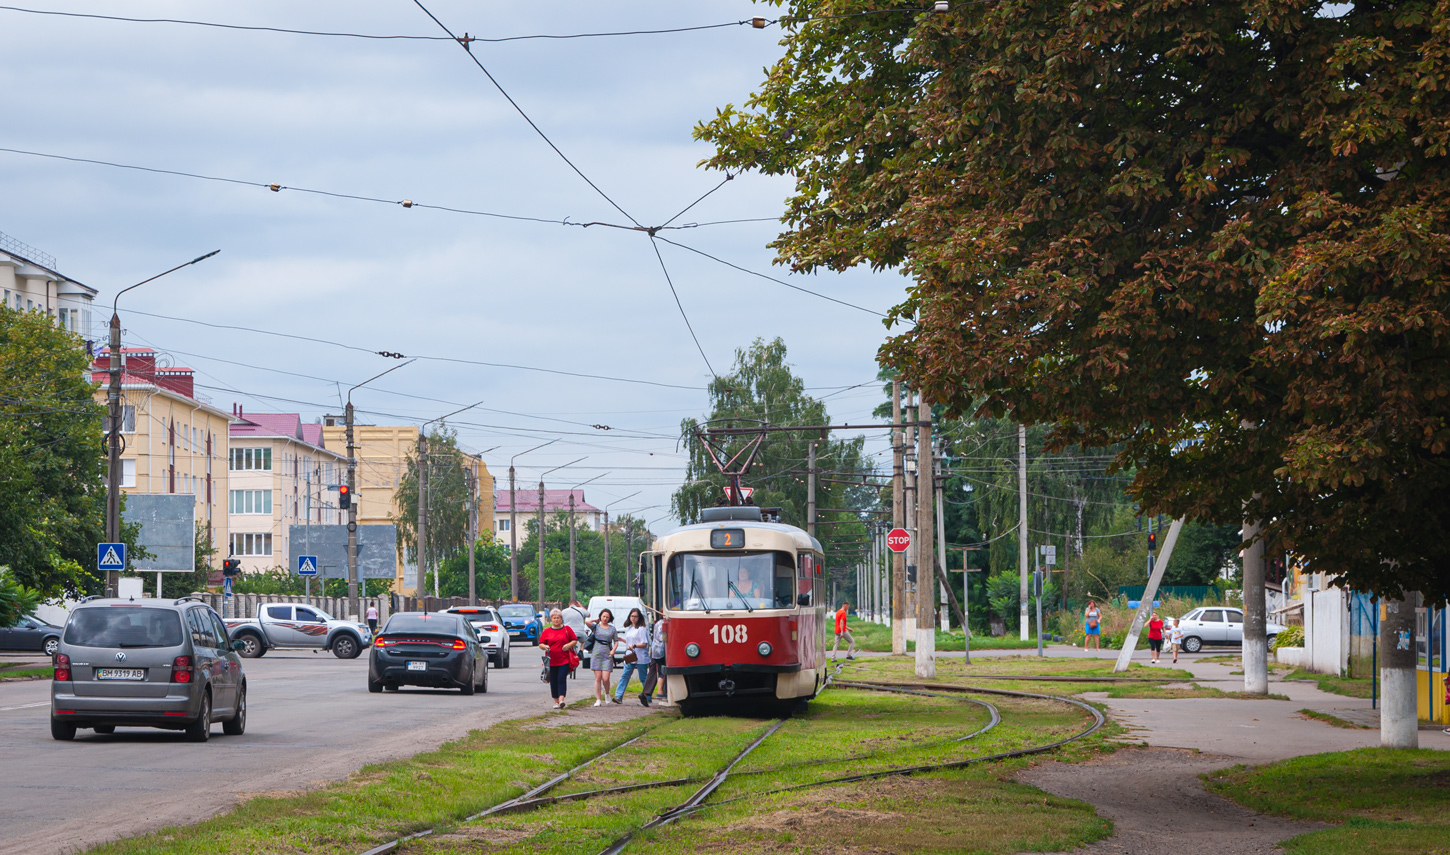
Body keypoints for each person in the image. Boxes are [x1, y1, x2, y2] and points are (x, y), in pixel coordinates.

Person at [536, 608, 578, 710]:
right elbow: (540, 644)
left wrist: (568, 645)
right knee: (553, 680)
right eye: (554, 618)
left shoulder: (567, 629)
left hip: (564, 659)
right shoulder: (547, 631)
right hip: (551, 660)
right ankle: (556, 701)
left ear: (561, 619)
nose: (556, 620)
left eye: (558, 618)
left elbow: (574, 640)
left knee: (561, 678)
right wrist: (545, 647)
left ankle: (562, 700)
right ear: (551, 619)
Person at [613, 608, 652, 705]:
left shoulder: (641, 629)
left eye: (635, 616)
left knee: (643, 677)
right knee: (625, 675)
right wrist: (623, 640)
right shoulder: (630, 628)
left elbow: (644, 643)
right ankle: (618, 696)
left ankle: (647, 697)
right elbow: (631, 642)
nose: (633, 618)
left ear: (639, 618)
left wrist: (634, 646)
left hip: (640, 656)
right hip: (630, 655)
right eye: (632, 616)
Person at [588, 608, 620, 707]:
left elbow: (616, 641)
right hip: (596, 653)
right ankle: (598, 699)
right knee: (598, 678)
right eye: (603, 616)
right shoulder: (596, 627)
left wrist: (613, 650)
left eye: (607, 617)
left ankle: (607, 693)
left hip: (607, 654)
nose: (605, 618)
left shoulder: (612, 629)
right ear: (600, 617)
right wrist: (595, 620)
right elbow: (587, 621)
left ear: (609, 618)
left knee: (605, 678)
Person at [643, 615, 668, 705]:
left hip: (654, 649)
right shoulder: (664, 623)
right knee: (662, 671)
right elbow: (663, 638)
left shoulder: (657, 623)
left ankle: (646, 694)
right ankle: (660, 692)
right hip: (661, 650)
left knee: (653, 670)